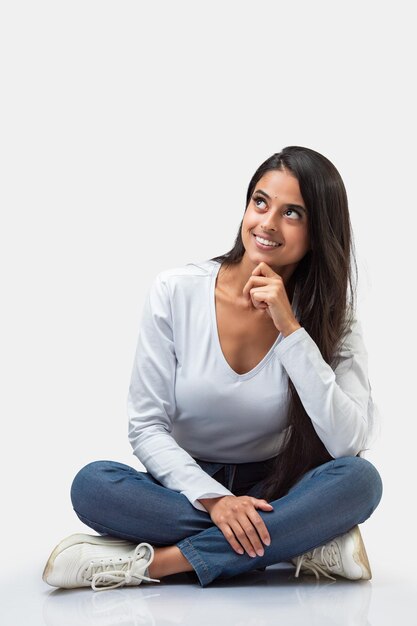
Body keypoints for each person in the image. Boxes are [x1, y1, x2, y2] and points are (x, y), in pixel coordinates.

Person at [43, 146, 383, 591]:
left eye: (292, 213)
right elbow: (146, 427)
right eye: (260, 202)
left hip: (277, 488)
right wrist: (216, 500)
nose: (267, 223)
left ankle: (151, 565)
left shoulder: (335, 318)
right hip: (185, 489)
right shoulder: (176, 291)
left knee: (359, 481)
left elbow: (346, 444)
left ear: (319, 231)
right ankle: (297, 540)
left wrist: (290, 329)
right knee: (92, 485)